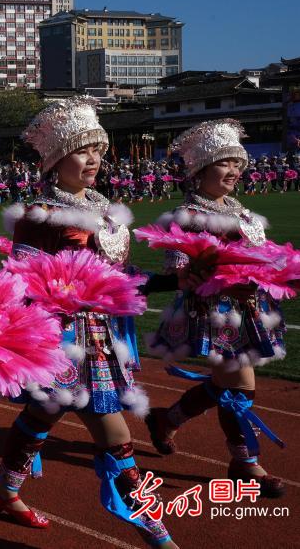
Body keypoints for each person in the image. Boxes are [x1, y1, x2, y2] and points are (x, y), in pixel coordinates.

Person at [0, 97, 174, 547]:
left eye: (98, 148)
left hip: (103, 337)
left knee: (45, 414)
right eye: (82, 149)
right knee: (113, 436)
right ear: (56, 159)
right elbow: (24, 278)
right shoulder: (40, 214)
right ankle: (160, 536)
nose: (94, 159)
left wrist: (172, 279)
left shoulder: (105, 207)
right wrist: (66, 290)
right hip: (61, 338)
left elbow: (121, 278)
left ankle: (4, 489)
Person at [144, 120, 286, 497]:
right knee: (241, 385)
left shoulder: (242, 210)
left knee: (227, 384)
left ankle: (167, 419)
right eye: (225, 163)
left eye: (237, 164)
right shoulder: (187, 214)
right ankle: (244, 461)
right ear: (200, 170)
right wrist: (200, 266)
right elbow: (175, 266)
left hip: (249, 308)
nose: (235, 171)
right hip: (211, 310)